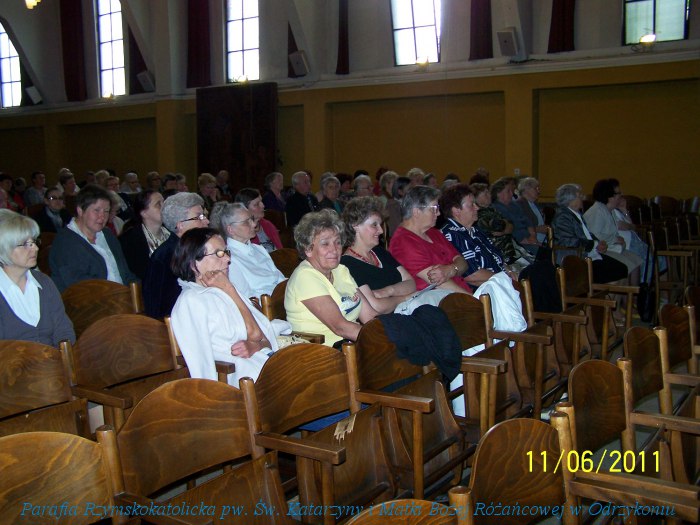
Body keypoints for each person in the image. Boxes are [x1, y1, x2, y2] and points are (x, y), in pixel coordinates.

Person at [170, 227, 279, 386]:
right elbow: (201, 363)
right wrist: (229, 289)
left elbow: (264, 340)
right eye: (218, 253)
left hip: (261, 363)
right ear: (194, 264)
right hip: (239, 376)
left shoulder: (226, 289)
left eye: (226, 252)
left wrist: (255, 346)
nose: (227, 259)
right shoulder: (191, 301)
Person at [285, 209, 377, 347]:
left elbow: (369, 316)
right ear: (308, 249)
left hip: (350, 344)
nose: (334, 250)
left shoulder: (341, 270)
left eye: (338, 242)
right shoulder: (304, 277)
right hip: (321, 353)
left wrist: (390, 330)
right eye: (325, 244)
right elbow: (340, 327)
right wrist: (381, 339)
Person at [341, 196, 433, 314]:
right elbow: (376, 306)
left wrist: (388, 291)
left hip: (407, 313)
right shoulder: (347, 264)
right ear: (356, 226)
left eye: (380, 224)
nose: (381, 231)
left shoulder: (379, 252)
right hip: (386, 321)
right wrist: (405, 298)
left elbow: (411, 283)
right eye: (374, 225)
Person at [0, 210, 75, 346]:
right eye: (25, 244)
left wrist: (62, 354)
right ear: (3, 249)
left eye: (34, 242)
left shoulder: (44, 282)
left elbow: (63, 328)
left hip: (53, 357)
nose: (35, 248)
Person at [49, 185, 137, 292]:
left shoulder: (107, 235)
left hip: (121, 295)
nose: (102, 216)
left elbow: (126, 274)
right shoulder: (65, 242)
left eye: (106, 211)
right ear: (80, 211)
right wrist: (118, 297)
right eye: (97, 210)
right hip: (93, 299)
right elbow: (80, 288)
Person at [389, 186, 470, 294]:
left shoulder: (433, 232)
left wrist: (451, 269)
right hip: (441, 300)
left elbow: (463, 263)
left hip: (461, 294)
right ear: (417, 212)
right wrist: (474, 299)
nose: (438, 213)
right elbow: (439, 282)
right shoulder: (402, 242)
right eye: (434, 208)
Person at [143, 192, 209, 319]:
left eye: (204, 215)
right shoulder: (166, 257)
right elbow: (159, 308)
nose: (207, 221)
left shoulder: (197, 249)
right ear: (180, 225)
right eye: (199, 217)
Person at [551, 183, 628, 284]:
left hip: (587, 254)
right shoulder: (563, 216)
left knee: (622, 269)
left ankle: (609, 293)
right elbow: (568, 241)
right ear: (570, 200)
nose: (582, 198)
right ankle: (602, 293)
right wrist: (594, 244)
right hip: (574, 258)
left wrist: (598, 242)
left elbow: (587, 234)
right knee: (618, 270)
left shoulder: (576, 213)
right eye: (579, 196)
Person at [439, 184, 512, 289]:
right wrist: (505, 279)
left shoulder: (475, 231)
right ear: (456, 210)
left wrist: (508, 271)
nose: (477, 208)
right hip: (483, 291)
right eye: (471, 205)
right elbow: (472, 275)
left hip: (499, 283)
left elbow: (496, 258)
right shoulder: (452, 235)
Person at [210, 202, 285, 301]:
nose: (254, 224)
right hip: (267, 306)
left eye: (252, 219)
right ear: (231, 229)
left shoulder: (259, 249)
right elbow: (247, 298)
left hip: (282, 298)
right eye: (246, 222)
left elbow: (280, 278)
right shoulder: (229, 259)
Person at [583, 178, 642, 283]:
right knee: (628, 266)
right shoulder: (597, 211)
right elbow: (594, 235)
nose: (621, 195)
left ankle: (636, 293)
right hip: (600, 251)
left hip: (611, 247)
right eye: (618, 193)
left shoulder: (611, 210)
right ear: (610, 196)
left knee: (636, 260)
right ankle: (628, 292)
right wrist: (615, 239)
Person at [119, 191, 170, 280]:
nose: (165, 207)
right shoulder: (130, 240)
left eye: (164, 202)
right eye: (158, 204)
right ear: (144, 213)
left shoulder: (172, 233)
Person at [491, 177, 540, 256]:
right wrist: (526, 240)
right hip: (516, 243)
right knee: (541, 255)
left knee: (546, 252)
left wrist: (533, 235)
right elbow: (510, 229)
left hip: (528, 238)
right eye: (508, 191)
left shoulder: (514, 205)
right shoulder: (497, 208)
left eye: (512, 191)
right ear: (499, 193)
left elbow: (527, 221)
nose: (512, 194)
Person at [472, 182, 518, 263]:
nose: (489, 195)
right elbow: (499, 226)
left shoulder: (491, 209)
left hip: (508, 253)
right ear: (476, 198)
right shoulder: (479, 214)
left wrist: (505, 228)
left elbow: (511, 225)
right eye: (485, 193)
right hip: (497, 256)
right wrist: (505, 227)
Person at [234, 188, 282, 252]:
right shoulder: (242, 233)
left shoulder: (268, 225)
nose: (263, 206)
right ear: (245, 209)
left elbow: (281, 251)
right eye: (256, 204)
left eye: (261, 201)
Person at [516, 177, 548, 244]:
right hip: (530, 244)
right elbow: (517, 227)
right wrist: (537, 229)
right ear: (526, 189)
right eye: (536, 188)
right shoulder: (519, 205)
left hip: (541, 242)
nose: (539, 192)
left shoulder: (535, 204)